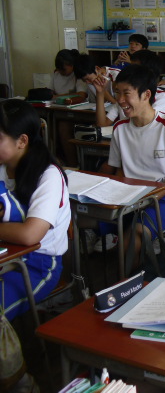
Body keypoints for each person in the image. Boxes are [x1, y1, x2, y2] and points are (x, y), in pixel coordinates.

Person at [95, 64, 165, 256]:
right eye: (117, 92)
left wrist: (154, 195)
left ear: (146, 95)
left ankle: (132, 274)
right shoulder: (120, 128)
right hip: (128, 196)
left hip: (162, 199)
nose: (120, 100)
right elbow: (119, 169)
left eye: (126, 94)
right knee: (80, 219)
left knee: (134, 236)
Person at [0, 100, 71, 321]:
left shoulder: (48, 175)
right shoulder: (2, 168)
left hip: (37, 265)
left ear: (22, 141)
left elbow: (30, 234)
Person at [95, 50, 165, 127]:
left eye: (136, 69)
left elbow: (147, 125)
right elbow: (102, 124)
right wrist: (100, 93)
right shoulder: (124, 98)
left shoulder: (162, 97)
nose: (130, 71)